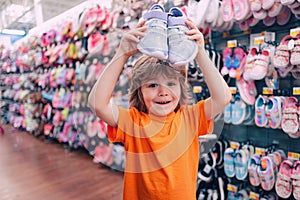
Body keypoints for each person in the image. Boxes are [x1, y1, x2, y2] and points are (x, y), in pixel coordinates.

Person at [88, 16, 231, 200]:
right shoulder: (133, 121)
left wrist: (200, 53)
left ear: (182, 87)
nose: (163, 92)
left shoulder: (190, 117)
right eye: (152, 85)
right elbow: (97, 104)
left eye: (171, 83)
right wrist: (122, 54)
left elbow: (223, 97)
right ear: (139, 91)